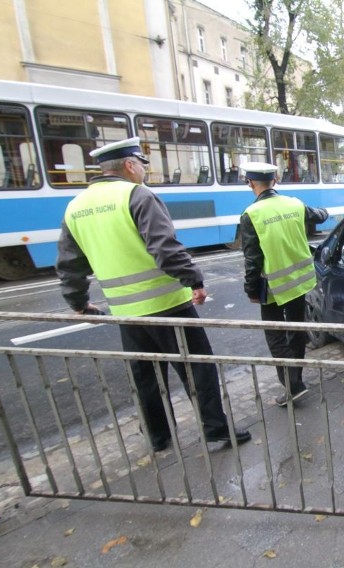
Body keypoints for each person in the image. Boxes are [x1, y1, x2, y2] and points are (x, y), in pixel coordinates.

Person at [56, 137, 251, 452]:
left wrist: (78, 303)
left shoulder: (75, 207)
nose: (144, 172)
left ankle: (158, 437)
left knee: (146, 376)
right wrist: (194, 280)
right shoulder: (137, 195)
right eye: (142, 166)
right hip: (168, 306)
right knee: (197, 366)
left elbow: (69, 265)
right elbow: (164, 248)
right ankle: (215, 428)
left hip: (126, 314)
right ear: (130, 166)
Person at [239, 162, 329, 406]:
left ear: (251, 183)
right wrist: (322, 212)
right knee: (297, 331)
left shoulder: (251, 215)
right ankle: (295, 381)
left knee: (276, 337)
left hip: (273, 288)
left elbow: (253, 261)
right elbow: (320, 215)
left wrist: (251, 290)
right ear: (275, 181)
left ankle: (293, 386)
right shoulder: (295, 204)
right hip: (299, 283)